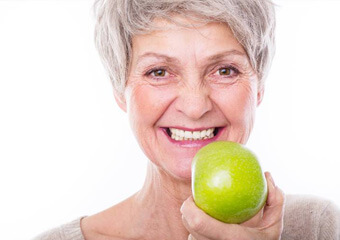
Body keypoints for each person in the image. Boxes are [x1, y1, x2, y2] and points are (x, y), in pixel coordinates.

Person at [33, 0, 340, 239]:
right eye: (159, 72)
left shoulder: (318, 228)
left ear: (259, 86)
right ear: (119, 89)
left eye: (224, 70)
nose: (195, 107)